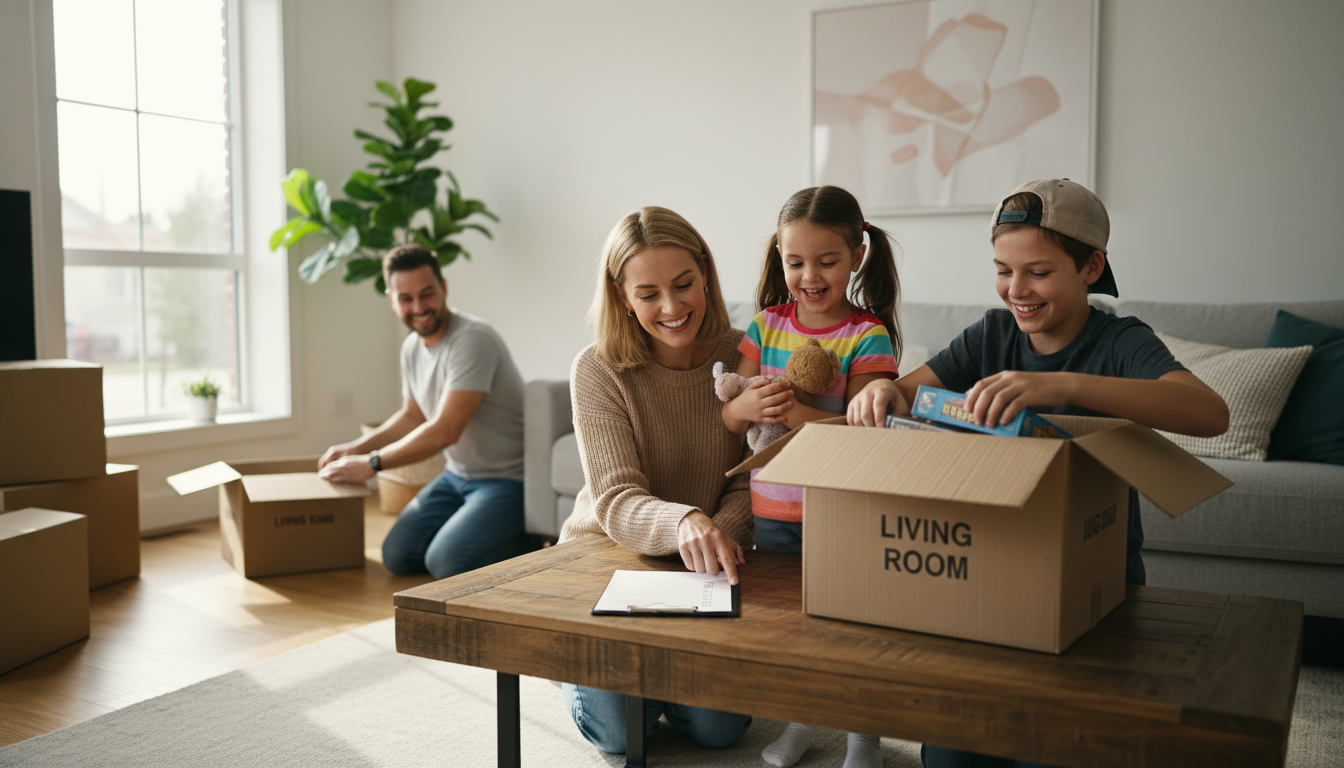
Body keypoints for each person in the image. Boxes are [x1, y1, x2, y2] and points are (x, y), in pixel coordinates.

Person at [846, 179, 1229, 768]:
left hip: (1096, 594)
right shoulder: (991, 335)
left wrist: (1061, 386)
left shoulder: (1121, 341)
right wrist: (880, 391)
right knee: (949, 758)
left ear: (1091, 267)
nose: (1016, 291)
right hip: (991, 585)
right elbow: (903, 393)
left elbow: (1210, 413)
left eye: (1039, 272)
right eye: (1003, 270)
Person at [557, 206, 762, 756]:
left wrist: (718, 534)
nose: (672, 308)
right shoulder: (596, 368)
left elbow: (752, 475)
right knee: (620, 733)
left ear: (704, 274)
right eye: (648, 294)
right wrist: (685, 520)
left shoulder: (744, 353)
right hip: (607, 558)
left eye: (683, 285)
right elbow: (617, 498)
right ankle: (580, 664)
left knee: (719, 730)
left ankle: (658, 677)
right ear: (622, 296)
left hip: (701, 569)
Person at [722, 186, 900, 768]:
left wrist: (795, 415)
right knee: (793, 625)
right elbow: (730, 411)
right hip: (773, 507)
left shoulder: (865, 333)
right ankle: (800, 723)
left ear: (856, 257)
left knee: (852, 620)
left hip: (841, 504)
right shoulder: (767, 325)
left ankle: (863, 740)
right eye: (795, 261)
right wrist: (745, 409)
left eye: (827, 261)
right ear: (779, 256)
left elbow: (865, 428)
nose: (810, 275)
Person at [317, 244, 528, 579]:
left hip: (507, 480)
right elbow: (413, 415)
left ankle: (526, 539)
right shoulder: (412, 347)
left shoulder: (473, 340)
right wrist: (354, 449)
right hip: (456, 476)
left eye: (427, 294)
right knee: (397, 557)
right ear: (391, 300)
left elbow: (445, 429)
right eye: (406, 299)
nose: (419, 307)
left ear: (443, 288)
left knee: (446, 563)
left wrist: (372, 463)